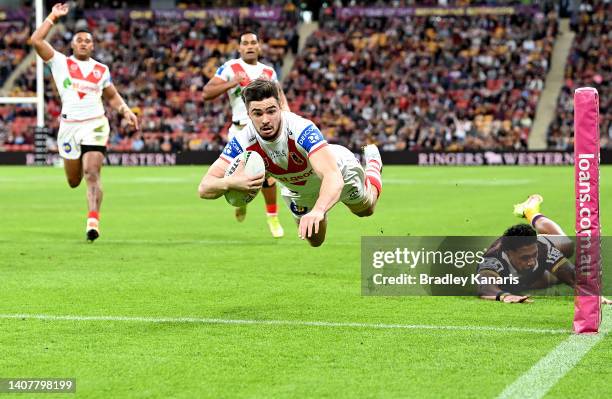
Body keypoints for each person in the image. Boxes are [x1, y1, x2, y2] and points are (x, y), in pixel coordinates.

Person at [198, 79, 383, 247]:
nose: (265, 120)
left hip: (341, 171)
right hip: (298, 191)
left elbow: (332, 176)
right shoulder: (243, 141)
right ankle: (320, 207)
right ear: (248, 114)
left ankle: (373, 166)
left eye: (271, 111)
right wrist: (230, 182)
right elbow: (204, 187)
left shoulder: (301, 129)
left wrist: (318, 209)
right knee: (315, 240)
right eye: (257, 113)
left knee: (366, 210)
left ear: (280, 107)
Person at [29, 3, 138, 242]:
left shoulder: (101, 69)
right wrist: (53, 17)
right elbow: (36, 41)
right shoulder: (60, 62)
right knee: (73, 180)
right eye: (80, 40)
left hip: (96, 124)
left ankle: (93, 221)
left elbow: (111, 95)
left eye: (88, 41)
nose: (84, 44)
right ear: (72, 44)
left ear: (93, 45)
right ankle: (90, 210)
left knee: (92, 173)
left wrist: (125, 110)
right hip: (69, 127)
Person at [202, 32, 288, 238]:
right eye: (245, 43)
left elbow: (280, 98)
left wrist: (288, 118)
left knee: (267, 176)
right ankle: (241, 202)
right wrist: (233, 83)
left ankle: (272, 216)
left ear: (259, 47)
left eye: (253, 43)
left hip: (264, 130)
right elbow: (207, 93)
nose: (249, 46)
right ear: (239, 48)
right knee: (235, 175)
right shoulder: (231, 68)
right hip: (240, 131)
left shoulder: (268, 71)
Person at [477, 194, 611, 304]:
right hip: (523, 279)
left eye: (533, 254)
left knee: (567, 245)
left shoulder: (542, 248)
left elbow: (571, 275)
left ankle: (530, 212)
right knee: (548, 280)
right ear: (508, 253)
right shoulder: (492, 259)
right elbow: (485, 288)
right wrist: (504, 296)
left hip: (531, 266)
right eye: (525, 257)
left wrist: (591, 294)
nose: (531, 261)